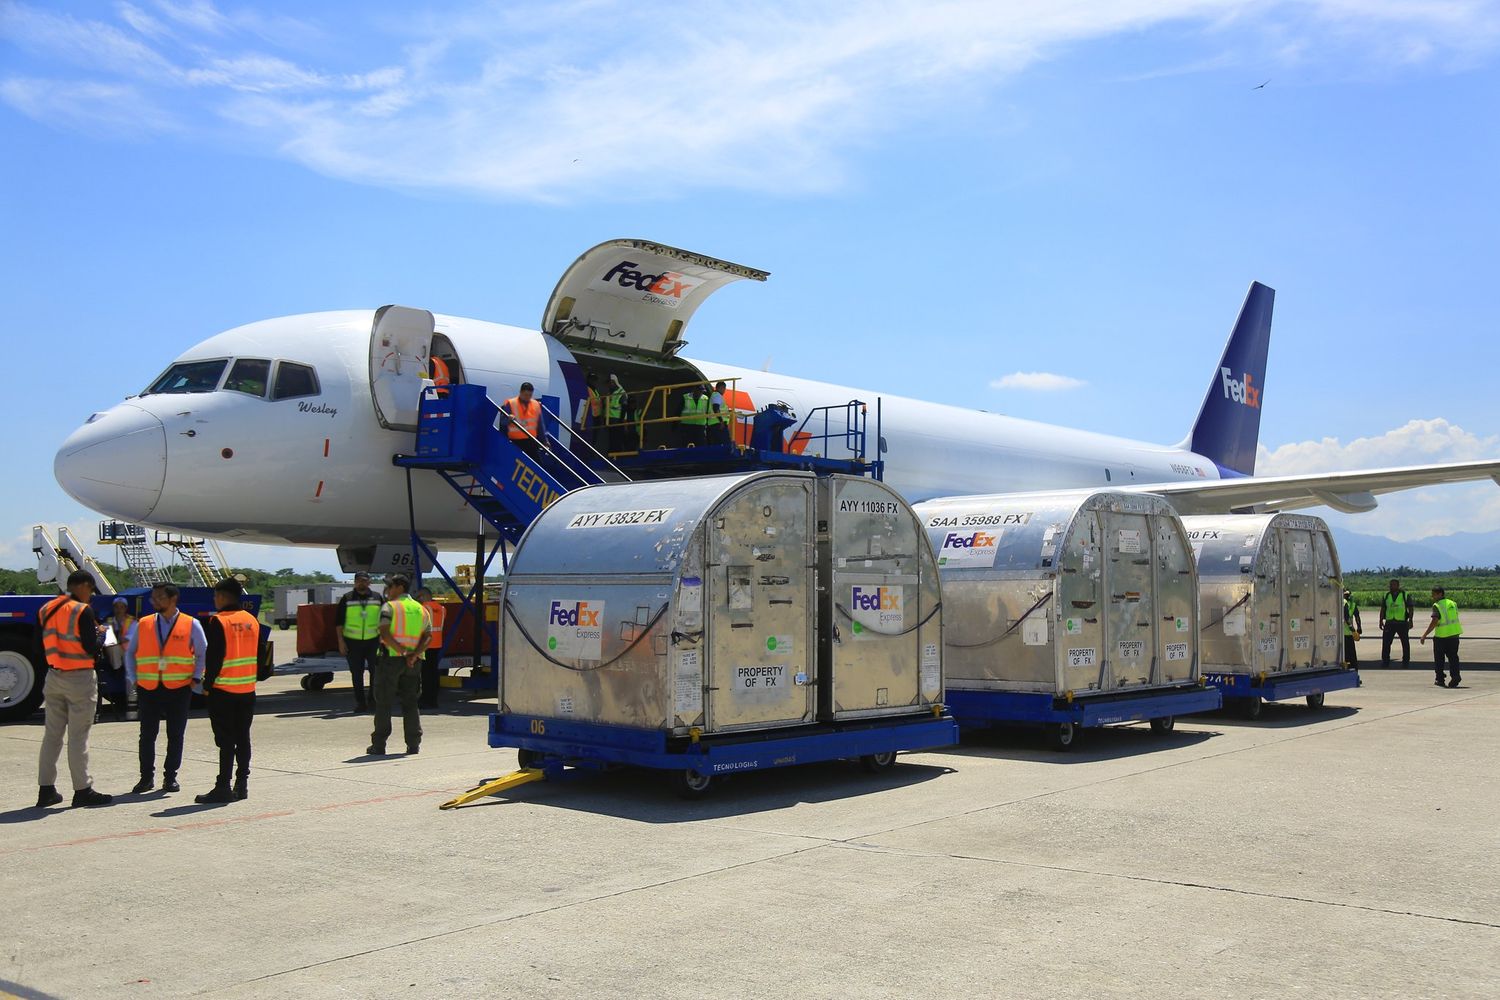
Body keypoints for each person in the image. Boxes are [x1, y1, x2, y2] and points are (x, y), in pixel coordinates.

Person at [34, 570, 112, 808]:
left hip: (54, 674)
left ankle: (46, 790)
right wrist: (102, 634)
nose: (90, 596)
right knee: (78, 736)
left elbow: (42, 642)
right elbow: (90, 646)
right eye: (90, 591)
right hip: (79, 678)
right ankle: (82, 789)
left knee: (52, 735)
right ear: (85, 586)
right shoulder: (81, 610)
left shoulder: (46, 609)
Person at [126, 582, 206, 795]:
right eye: (154, 597)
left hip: (179, 688)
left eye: (160, 597)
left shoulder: (191, 624)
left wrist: (196, 678)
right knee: (147, 735)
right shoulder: (143, 624)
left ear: (173, 599)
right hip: (149, 687)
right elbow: (130, 652)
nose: (155, 601)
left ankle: (170, 778)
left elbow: (202, 652)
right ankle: (146, 778)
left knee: (175, 734)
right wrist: (133, 678)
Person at [196, 578, 264, 803]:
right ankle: (242, 784)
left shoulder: (219, 621)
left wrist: (207, 684)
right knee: (243, 738)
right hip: (247, 689)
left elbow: (215, 656)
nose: (214, 600)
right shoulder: (251, 620)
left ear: (223, 596)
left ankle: (222, 786)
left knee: (225, 740)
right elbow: (261, 653)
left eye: (216, 595)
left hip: (223, 689)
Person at [367, 575, 431, 756]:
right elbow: (427, 637)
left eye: (390, 587)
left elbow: (385, 632)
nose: (388, 591)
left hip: (390, 661)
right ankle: (413, 744)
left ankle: (379, 745)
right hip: (414, 663)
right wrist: (414, 655)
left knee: (384, 703)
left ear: (400, 587)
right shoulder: (421, 609)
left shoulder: (389, 606)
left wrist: (403, 652)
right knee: (410, 703)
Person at [336, 572, 383, 711]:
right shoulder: (347, 598)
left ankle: (373, 700)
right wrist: (341, 642)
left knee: (376, 673)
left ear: (370, 582)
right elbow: (339, 622)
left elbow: (384, 619)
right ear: (355, 582)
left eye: (364, 580)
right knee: (357, 674)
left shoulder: (377, 597)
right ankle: (360, 702)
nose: (361, 583)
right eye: (358, 581)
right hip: (352, 642)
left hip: (373, 641)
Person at [1419, 586, 1462, 688]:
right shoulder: (1453, 603)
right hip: (1454, 635)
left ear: (1440, 594)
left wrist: (1425, 635)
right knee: (1453, 658)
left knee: (1439, 659)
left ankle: (1440, 679)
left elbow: (1435, 621)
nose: (1432, 596)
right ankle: (1455, 676)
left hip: (1442, 636)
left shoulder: (1437, 605)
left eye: (1434, 594)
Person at [416, 586, 446, 709]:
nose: (417, 599)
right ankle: (433, 699)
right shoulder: (442, 608)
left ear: (423, 596)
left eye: (418, 596)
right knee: (434, 673)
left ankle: (425, 699)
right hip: (437, 644)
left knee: (425, 675)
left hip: (425, 644)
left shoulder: (423, 608)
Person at [1378, 577, 1414, 669]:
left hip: (1401, 622)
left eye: (1393, 585)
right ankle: (1385, 661)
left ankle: (1406, 662)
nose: (1391, 586)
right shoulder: (1386, 595)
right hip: (1390, 622)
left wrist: (1410, 619)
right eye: (1390, 585)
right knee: (1386, 643)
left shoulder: (1405, 595)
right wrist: (1381, 620)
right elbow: (1383, 608)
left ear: (1398, 586)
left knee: (1405, 643)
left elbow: (1410, 607)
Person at [502, 381, 543, 459]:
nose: (528, 397)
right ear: (520, 393)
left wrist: (544, 440)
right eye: (525, 395)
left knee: (537, 463)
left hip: (531, 441)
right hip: (515, 441)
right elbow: (502, 422)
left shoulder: (535, 404)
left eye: (530, 395)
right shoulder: (511, 403)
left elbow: (540, 425)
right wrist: (509, 419)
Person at [606, 374, 628, 454]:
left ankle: (616, 454)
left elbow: (624, 407)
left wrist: (621, 421)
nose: (608, 384)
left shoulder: (621, 392)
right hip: (610, 421)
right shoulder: (611, 392)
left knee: (617, 439)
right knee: (612, 439)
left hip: (617, 420)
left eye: (609, 382)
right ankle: (612, 453)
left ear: (613, 382)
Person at [709, 381, 733, 446]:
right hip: (718, 424)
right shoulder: (717, 395)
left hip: (715, 423)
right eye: (724, 389)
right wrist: (721, 421)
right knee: (727, 443)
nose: (724, 391)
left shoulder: (715, 395)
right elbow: (715, 408)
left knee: (716, 444)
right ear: (721, 388)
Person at [1342, 589, 1362, 668]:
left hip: (1346, 633)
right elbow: (1347, 617)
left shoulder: (1351, 604)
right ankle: (1352, 669)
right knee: (1350, 655)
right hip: (1346, 633)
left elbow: (1356, 616)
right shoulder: (1344, 603)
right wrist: (1354, 629)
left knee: (1348, 655)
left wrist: (1358, 627)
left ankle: (1351, 668)